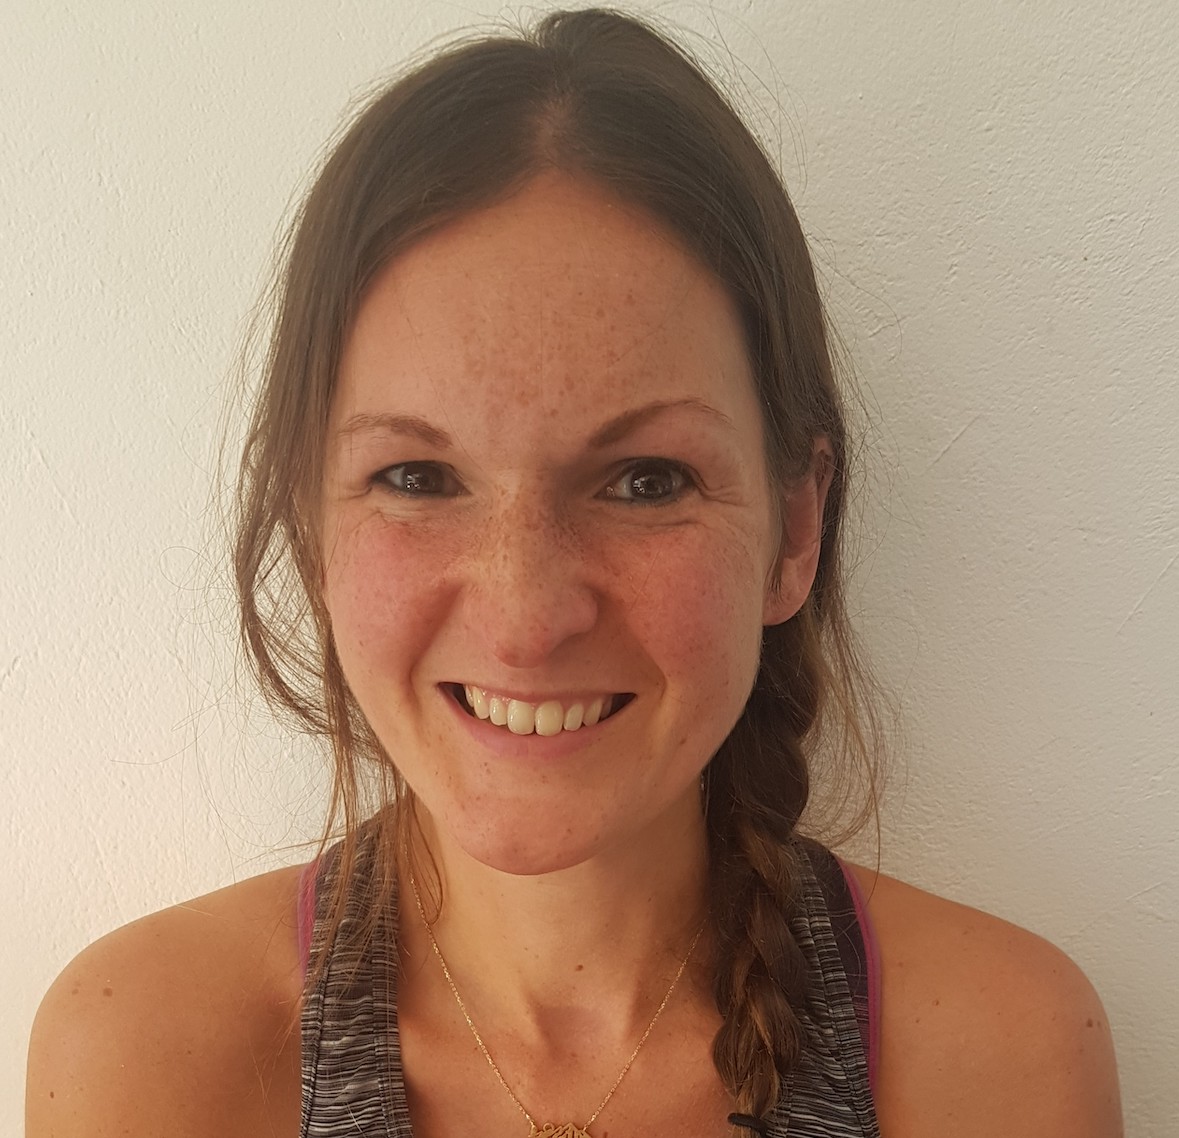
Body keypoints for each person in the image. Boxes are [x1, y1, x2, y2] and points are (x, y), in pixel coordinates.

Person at [26, 9, 1122, 1137]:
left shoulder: (1003, 1055)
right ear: (311, 526)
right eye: (416, 475)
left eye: (645, 480)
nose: (524, 615)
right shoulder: (147, 1056)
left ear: (796, 528)